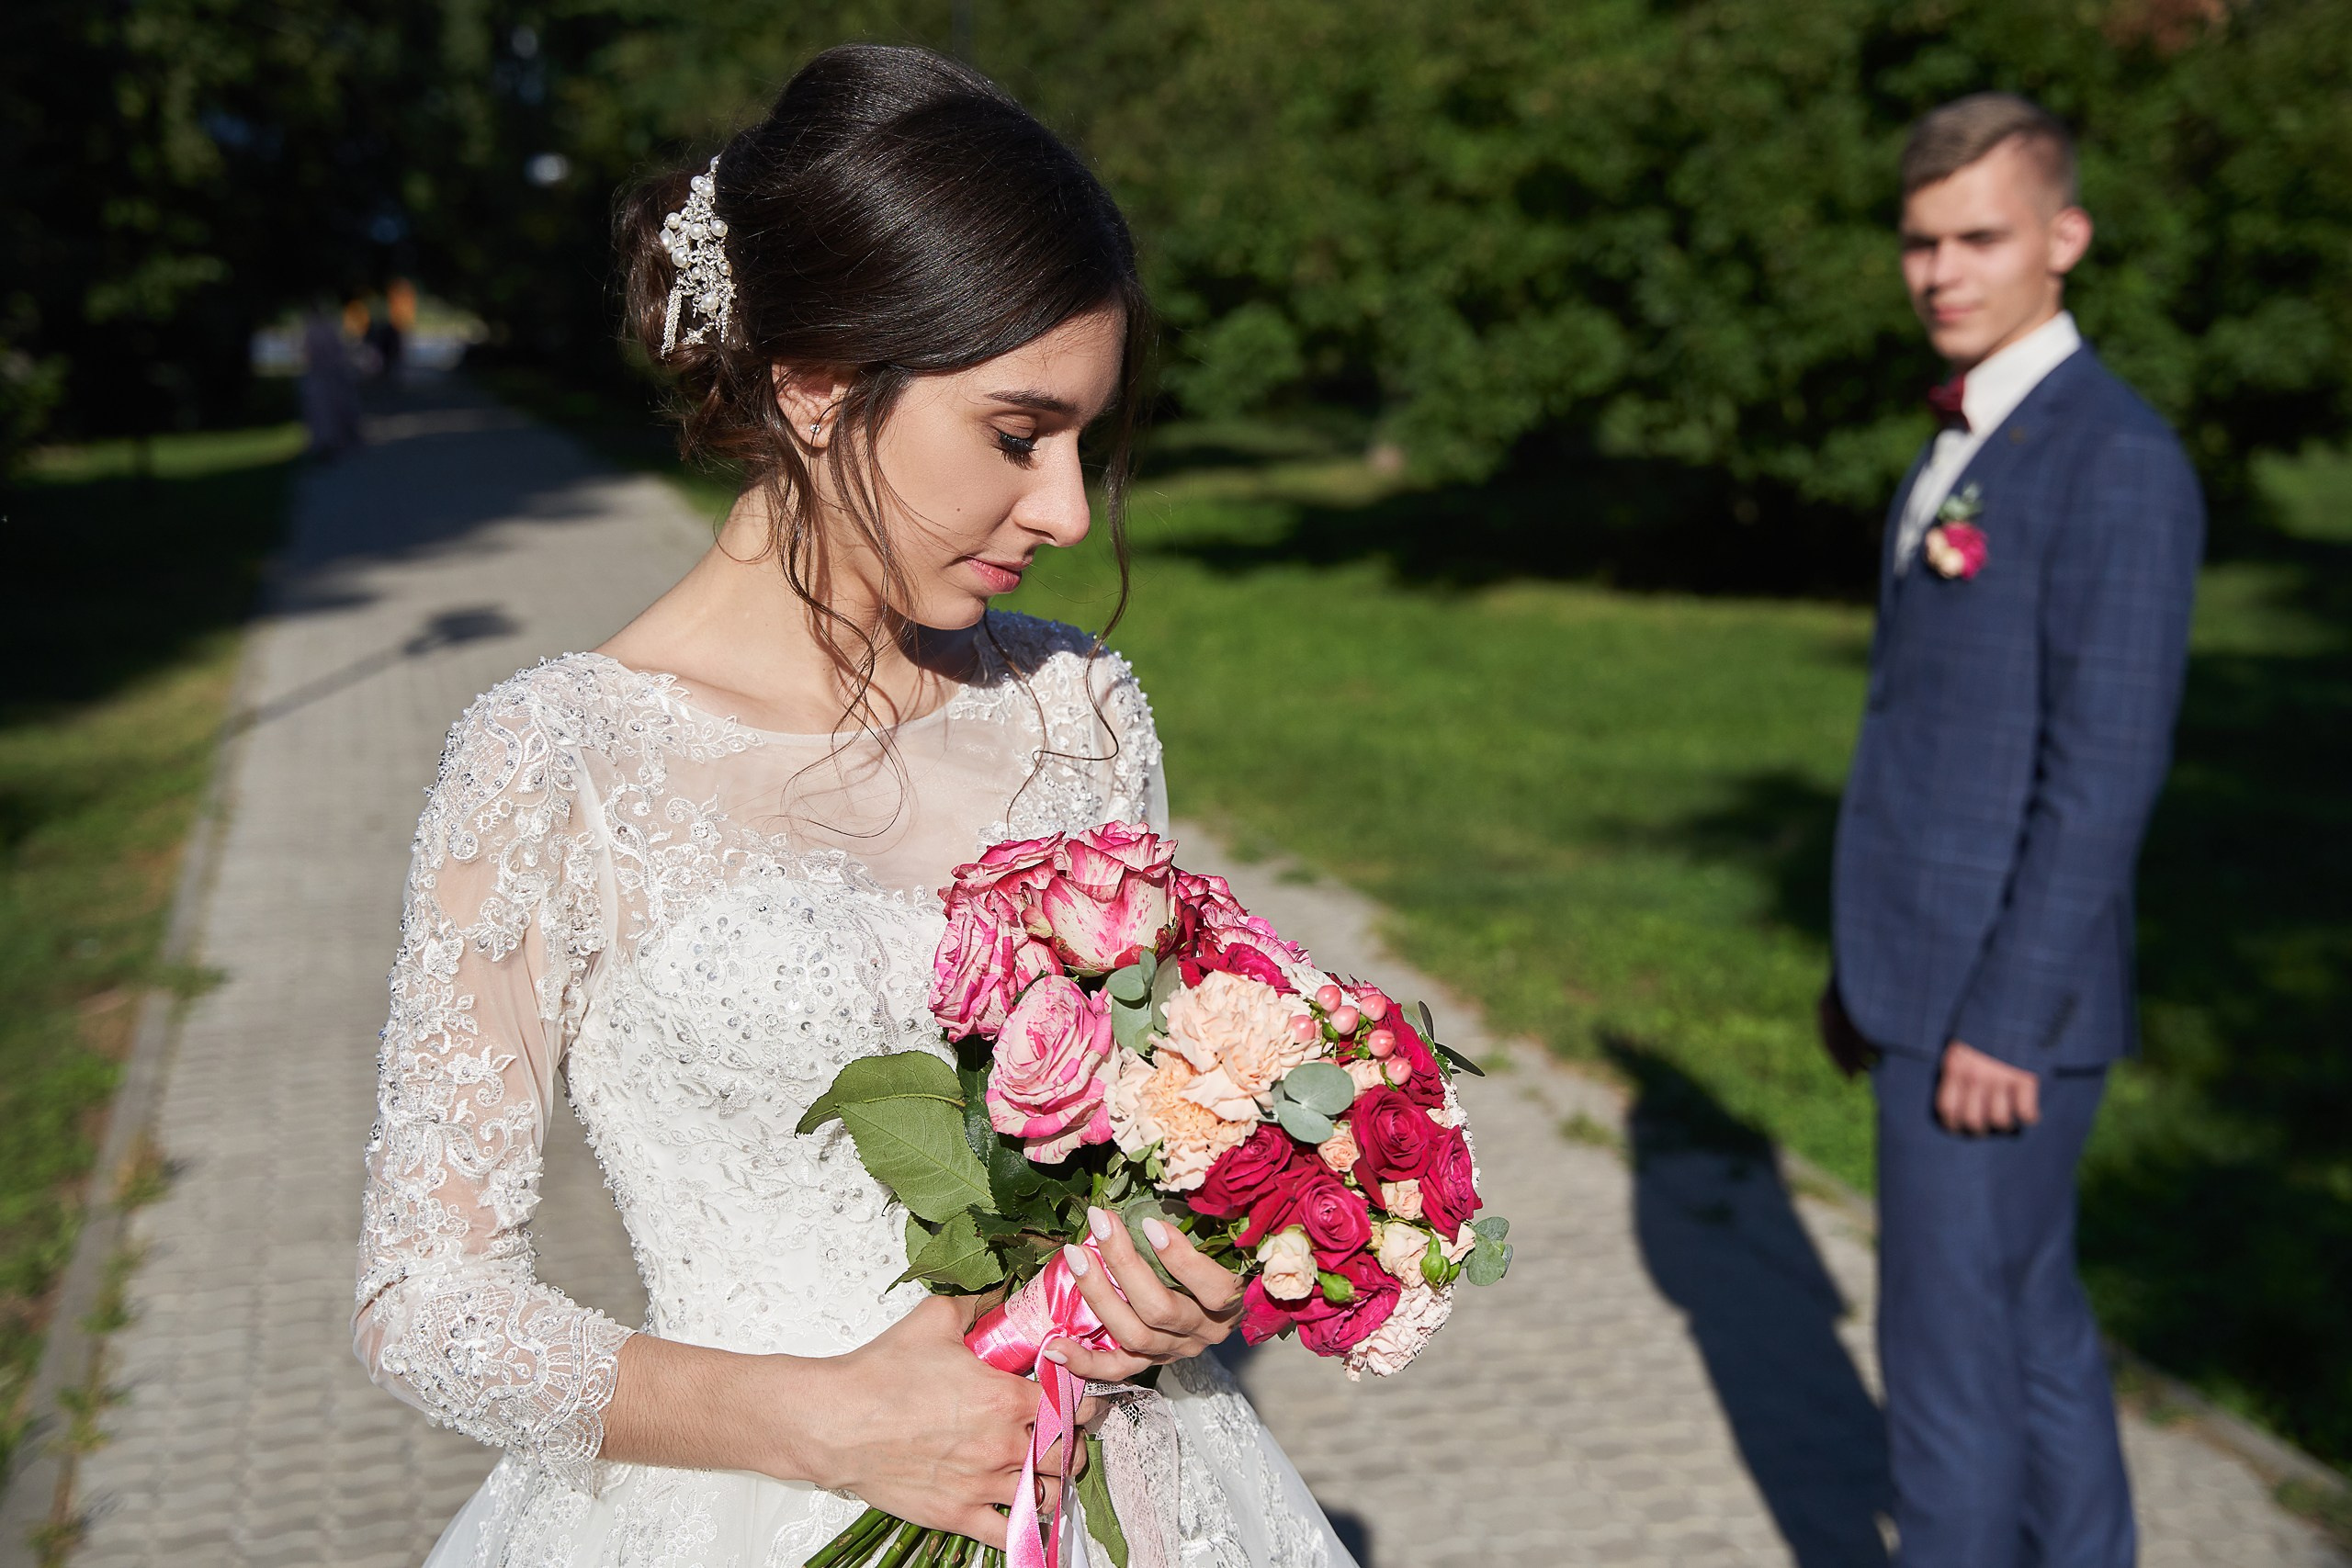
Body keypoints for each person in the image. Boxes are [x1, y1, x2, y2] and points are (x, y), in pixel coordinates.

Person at [353, 45, 1355, 1568]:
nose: (1065, 509)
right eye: (1016, 435)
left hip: (1125, 1483)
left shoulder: (1080, 708)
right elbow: (427, 1306)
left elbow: (1148, 1130)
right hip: (740, 1505)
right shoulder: (554, 763)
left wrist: (1181, 1262)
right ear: (817, 383)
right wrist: (822, 1424)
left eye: (1085, 443)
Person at [1821, 93, 2201, 1566]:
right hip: (1920, 972)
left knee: (1950, 1379)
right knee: (2024, 1330)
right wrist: (1862, 968)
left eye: (1979, 238)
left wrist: (2004, 1017)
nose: (1941, 272)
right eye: (1921, 242)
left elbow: (2105, 769)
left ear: (2067, 236)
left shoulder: (2112, 457)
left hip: (1995, 1006)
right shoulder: (1974, 434)